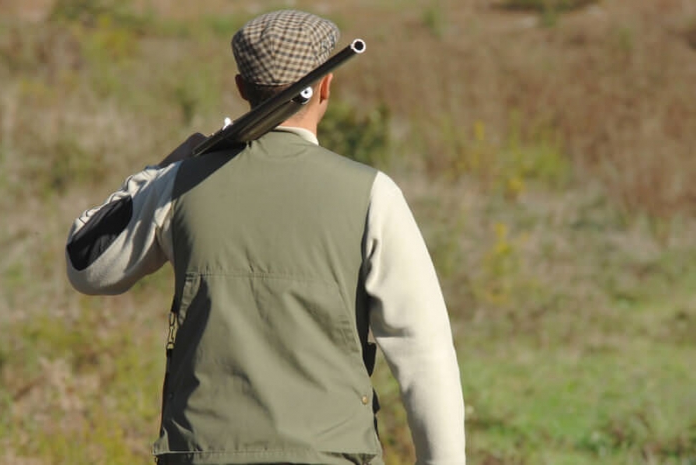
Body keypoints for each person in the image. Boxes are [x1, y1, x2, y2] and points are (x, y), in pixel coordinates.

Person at [65, 9, 465, 465]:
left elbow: (87, 265)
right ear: (327, 86)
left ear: (241, 88)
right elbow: (424, 352)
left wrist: (167, 167)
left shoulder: (177, 184)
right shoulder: (374, 193)